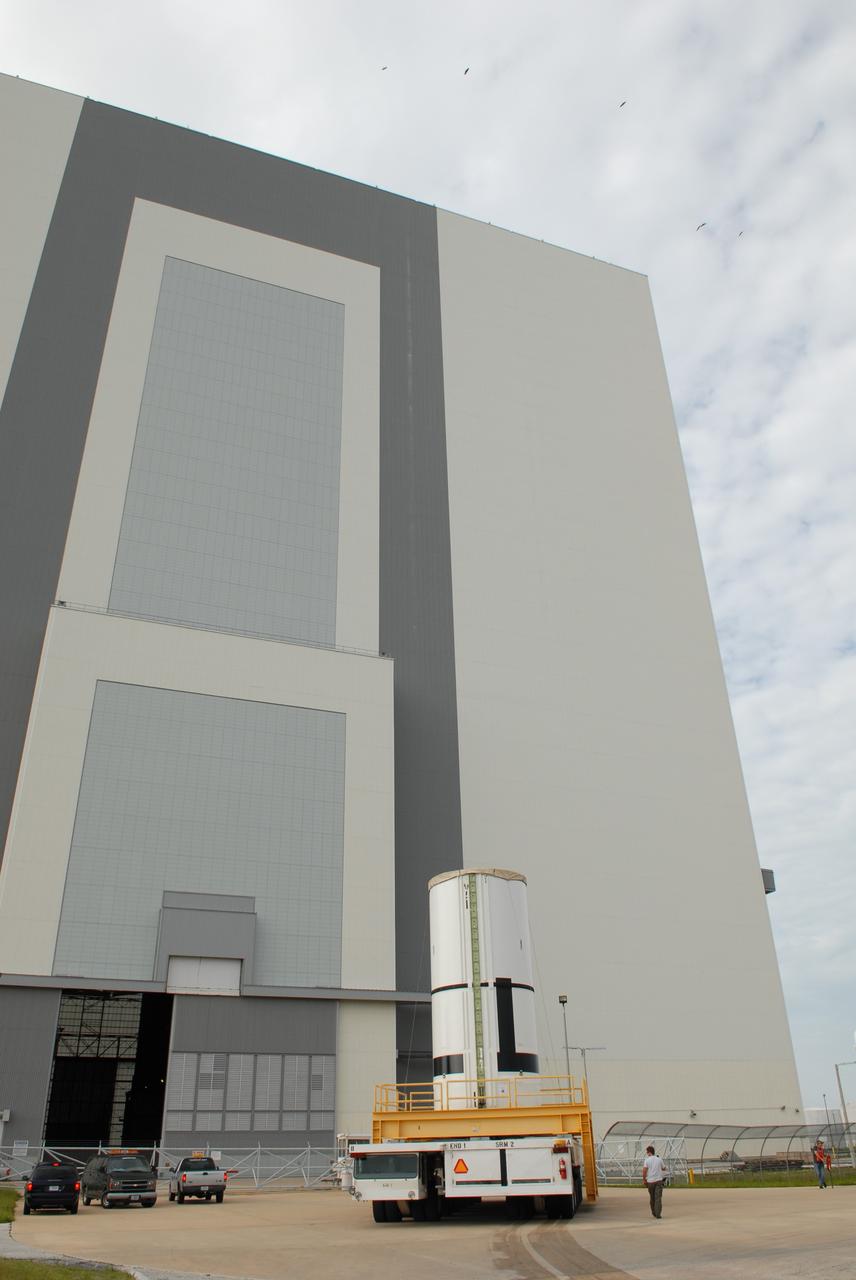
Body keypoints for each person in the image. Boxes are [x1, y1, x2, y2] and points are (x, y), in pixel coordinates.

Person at [642, 1144, 667, 1218]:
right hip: (659, 1181)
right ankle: (658, 1214)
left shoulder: (647, 1160)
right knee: (658, 1198)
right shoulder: (659, 1159)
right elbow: (664, 1168)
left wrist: (644, 1180)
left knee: (652, 1198)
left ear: (649, 1152)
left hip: (650, 1182)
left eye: (647, 1152)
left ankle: (654, 1212)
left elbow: (644, 1171)